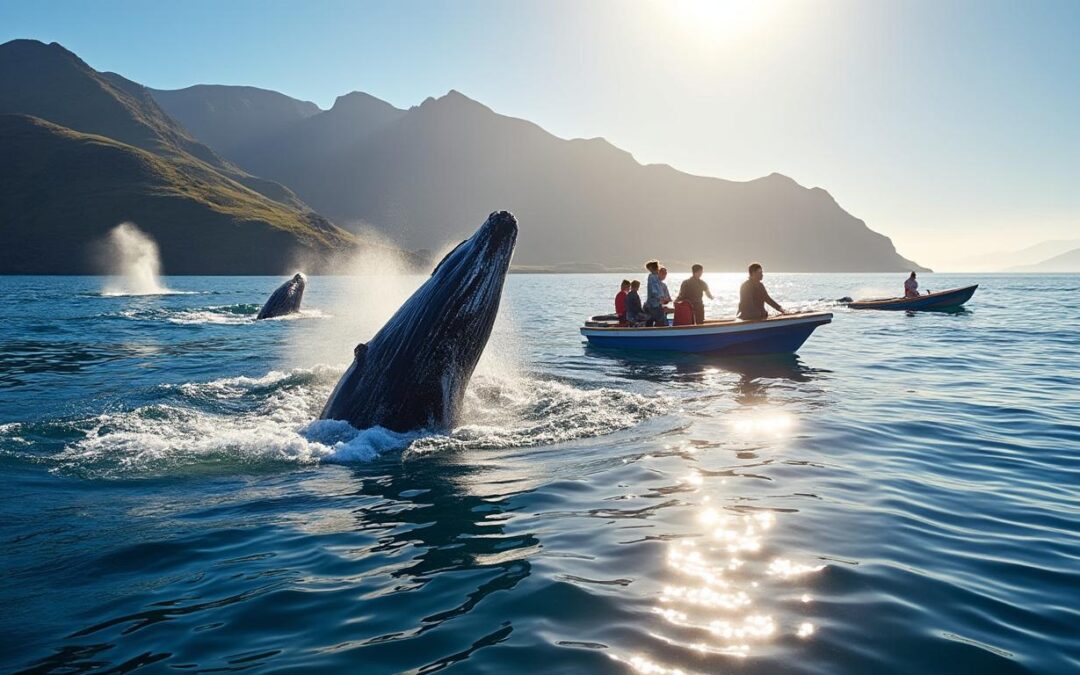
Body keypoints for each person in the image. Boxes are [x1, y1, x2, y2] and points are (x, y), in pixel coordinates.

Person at [644, 260, 667, 327]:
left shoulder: (653, 277)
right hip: (654, 305)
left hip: (651, 304)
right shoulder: (653, 277)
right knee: (661, 321)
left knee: (649, 322)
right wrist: (661, 297)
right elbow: (655, 291)